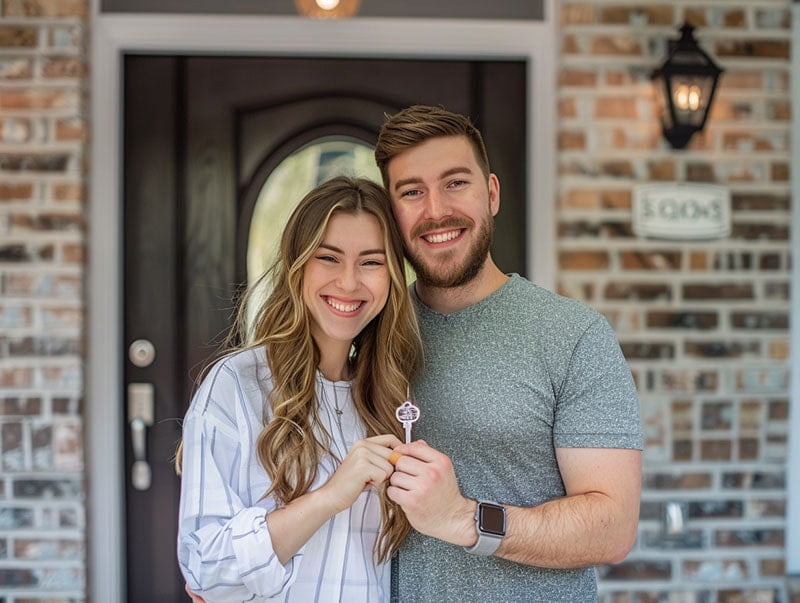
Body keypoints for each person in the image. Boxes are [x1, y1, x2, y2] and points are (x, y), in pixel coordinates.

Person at [374, 105, 643, 602]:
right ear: (392, 213)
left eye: (456, 183)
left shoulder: (573, 335)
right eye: (412, 192)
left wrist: (464, 518)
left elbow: (613, 525)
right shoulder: (371, 334)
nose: (435, 210)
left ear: (491, 194)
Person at [177, 176, 422, 602]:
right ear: (298, 264)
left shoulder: (395, 399)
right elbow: (206, 571)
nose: (349, 282)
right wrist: (330, 496)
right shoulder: (236, 385)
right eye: (328, 257)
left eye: (371, 261)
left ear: (393, 277)